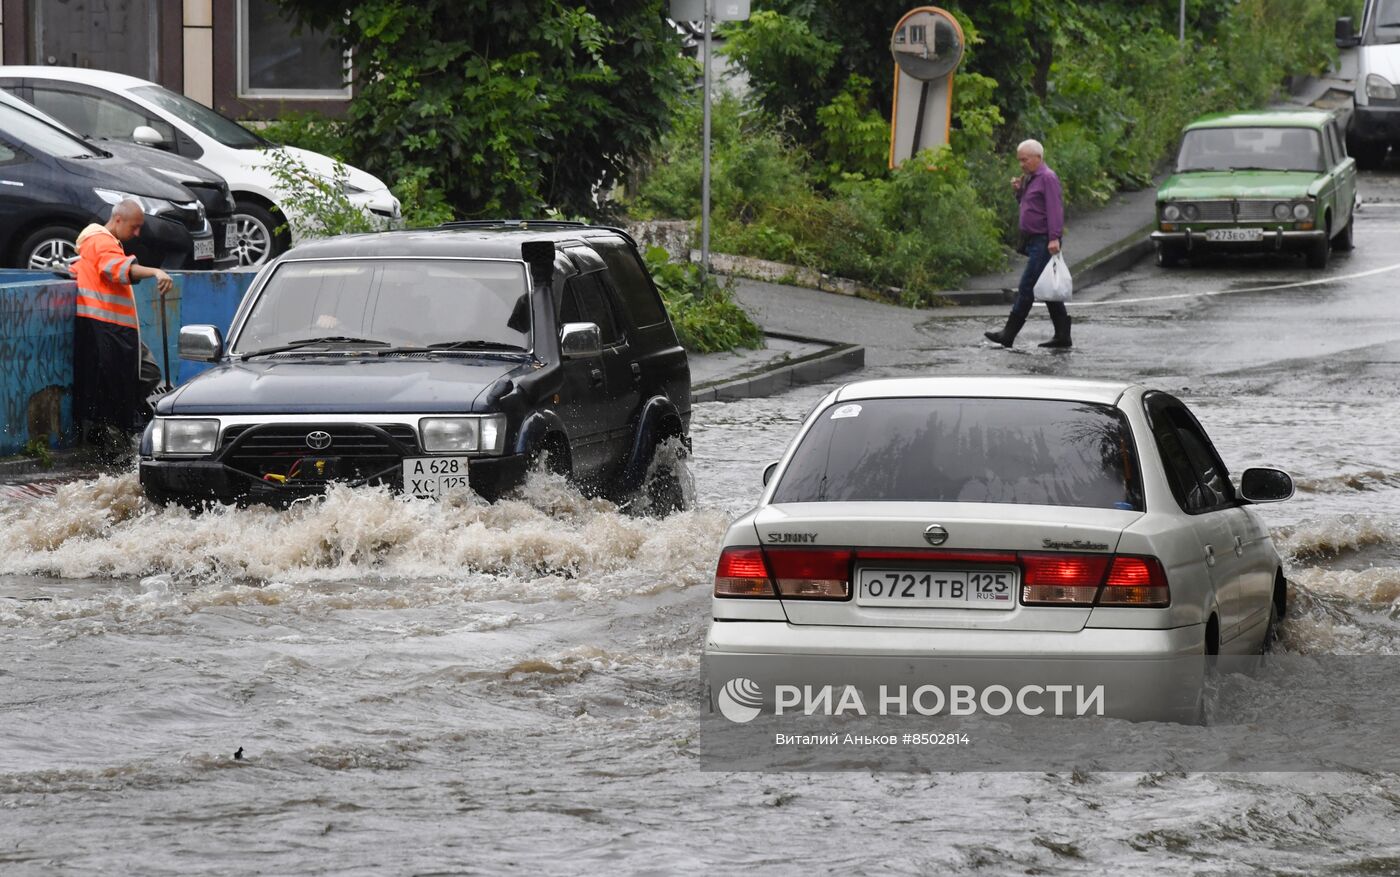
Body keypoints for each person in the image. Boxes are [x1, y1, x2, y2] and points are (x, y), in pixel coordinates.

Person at [72, 199, 174, 454]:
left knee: (138, 375)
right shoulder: (100, 240)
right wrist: (155, 272)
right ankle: (114, 426)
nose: (137, 233)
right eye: (135, 226)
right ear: (118, 219)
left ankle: (121, 418)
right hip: (108, 326)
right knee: (127, 379)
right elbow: (115, 269)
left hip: (115, 327)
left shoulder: (101, 242)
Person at [985, 139, 1072, 349]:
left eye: (1025, 160)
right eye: (1020, 160)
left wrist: (1054, 237)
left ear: (1037, 158)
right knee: (1047, 287)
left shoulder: (1047, 178)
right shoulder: (1031, 178)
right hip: (1034, 240)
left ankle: (1009, 333)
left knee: (1027, 285)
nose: (1021, 164)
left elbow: (1054, 209)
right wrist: (1018, 192)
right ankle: (1062, 336)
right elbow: (1029, 206)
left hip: (1044, 240)